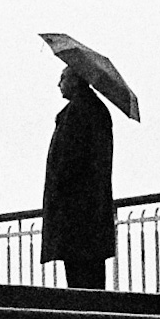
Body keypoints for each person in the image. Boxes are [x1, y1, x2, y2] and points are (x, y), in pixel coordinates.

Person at [41, 66, 115, 289]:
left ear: (75, 80)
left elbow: (68, 162)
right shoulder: (94, 109)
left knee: (79, 277)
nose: (58, 84)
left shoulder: (77, 112)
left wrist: (58, 194)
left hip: (76, 210)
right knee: (92, 276)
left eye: (62, 78)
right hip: (90, 210)